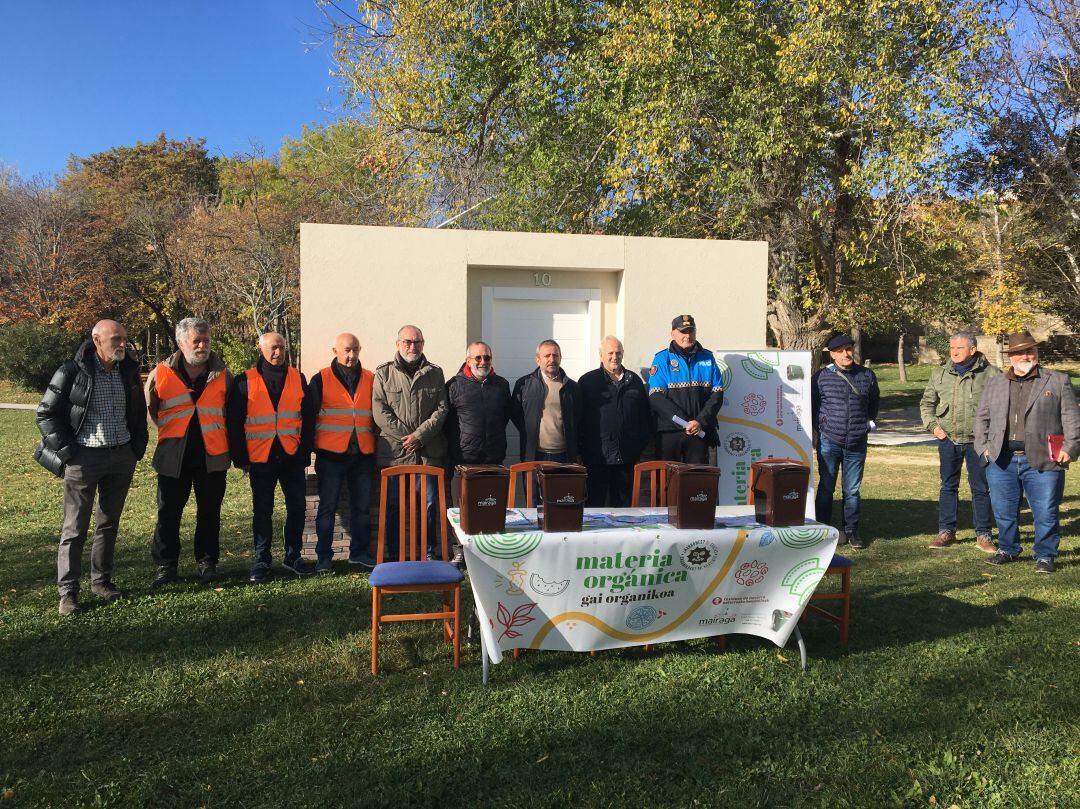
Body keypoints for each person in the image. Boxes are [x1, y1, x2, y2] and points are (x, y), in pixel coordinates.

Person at [35, 320, 149, 615]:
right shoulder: (71, 371)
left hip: (121, 456)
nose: (122, 344)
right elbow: (45, 413)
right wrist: (69, 452)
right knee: (75, 527)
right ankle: (68, 593)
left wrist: (136, 447)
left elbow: (138, 412)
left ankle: (101, 581)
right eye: (115, 339)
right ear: (96, 340)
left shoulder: (128, 371)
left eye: (124, 338)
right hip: (83, 459)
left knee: (108, 523)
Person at [974, 330, 1079, 573]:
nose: (1025, 355)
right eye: (1020, 352)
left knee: (1045, 511)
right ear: (1011, 356)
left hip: (1044, 459)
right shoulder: (995, 383)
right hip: (1001, 459)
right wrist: (984, 450)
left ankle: (1045, 556)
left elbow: (1073, 420)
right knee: (1003, 510)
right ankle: (1008, 550)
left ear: (1037, 352)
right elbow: (982, 419)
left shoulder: (1057, 380)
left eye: (1030, 350)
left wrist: (1070, 448)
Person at [146, 317, 232, 587]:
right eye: (196, 340)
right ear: (181, 343)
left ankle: (207, 562)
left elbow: (231, 412)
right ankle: (166, 565)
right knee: (168, 513)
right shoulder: (160, 373)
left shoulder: (224, 375)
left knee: (210, 513)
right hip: (174, 458)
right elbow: (151, 410)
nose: (202, 345)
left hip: (212, 456)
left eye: (206, 340)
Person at [226, 332, 314, 582]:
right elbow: (234, 422)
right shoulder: (245, 380)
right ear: (261, 349)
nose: (278, 353)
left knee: (297, 507)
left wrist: (304, 452)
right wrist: (240, 457)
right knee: (262, 511)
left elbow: (308, 419)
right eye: (273, 348)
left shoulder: (298, 378)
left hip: (291, 456)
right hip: (260, 457)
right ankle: (262, 559)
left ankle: (293, 555)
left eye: (282, 348)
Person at [372, 325, 449, 561]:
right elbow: (379, 411)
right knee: (394, 507)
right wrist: (408, 437)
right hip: (396, 454)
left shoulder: (435, 373)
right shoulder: (383, 373)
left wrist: (420, 436)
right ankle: (395, 556)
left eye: (417, 342)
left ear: (423, 344)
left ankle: (428, 554)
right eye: (407, 342)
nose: (412, 346)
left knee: (428, 507)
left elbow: (442, 409)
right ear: (398, 344)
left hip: (427, 455)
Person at [920, 331, 999, 552]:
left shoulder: (991, 374)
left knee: (981, 489)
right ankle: (946, 532)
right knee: (947, 487)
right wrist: (933, 427)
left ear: (972, 350)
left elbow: (1002, 408)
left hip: (979, 443)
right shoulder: (939, 374)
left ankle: (983, 535)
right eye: (951, 348)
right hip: (949, 440)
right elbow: (927, 403)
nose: (954, 352)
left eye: (959, 348)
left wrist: (991, 437)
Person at [308, 332, 377, 573]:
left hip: (363, 455)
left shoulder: (371, 378)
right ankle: (324, 557)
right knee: (327, 509)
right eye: (347, 350)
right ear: (334, 350)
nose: (351, 355)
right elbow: (309, 417)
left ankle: (359, 553)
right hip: (331, 456)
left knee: (362, 509)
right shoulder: (320, 379)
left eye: (356, 350)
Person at [445, 341, 512, 565]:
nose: (483, 362)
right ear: (468, 360)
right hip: (463, 461)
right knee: (459, 510)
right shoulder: (454, 385)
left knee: (490, 507)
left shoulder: (501, 385)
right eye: (478, 358)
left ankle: (489, 552)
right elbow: (447, 423)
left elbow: (505, 417)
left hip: (493, 460)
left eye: (487, 358)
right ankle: (459, 552)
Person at [811, 333, 880, 549]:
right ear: (832, 355)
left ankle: (851, 530)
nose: (846, 354)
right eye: (840, 351)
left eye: (849, 349)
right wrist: (823, 425)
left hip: (857, 442)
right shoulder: (820, 377)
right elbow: (813, 406)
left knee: (851, 490)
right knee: (826, 487)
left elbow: (874, 405)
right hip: (829, 440)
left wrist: (864, 425)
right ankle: (822, 529)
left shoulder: (867, 375)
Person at [578, 336, 652, 506]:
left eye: (618, 352)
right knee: (594, 508)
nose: (614, 357)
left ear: (623, 354)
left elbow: (644, 418)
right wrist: (580, 450)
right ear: (601, 355)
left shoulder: (634, 381)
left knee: (623, 509)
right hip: (597, 458)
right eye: (610, 353)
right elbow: (578, 418)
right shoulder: (587, 382)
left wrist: (638, 447)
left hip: (626, 459)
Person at [647, 315, 724, 463]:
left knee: (698, 480)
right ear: (673, 334)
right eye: (683, 331)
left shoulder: (707, 358)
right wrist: (686, 421)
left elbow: (717, 394)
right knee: (668, 482)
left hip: (700, 431)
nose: (687, 336)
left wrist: (699, 421)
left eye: (691, 331)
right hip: (670, 432)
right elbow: (656, 397)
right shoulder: (662, 359)